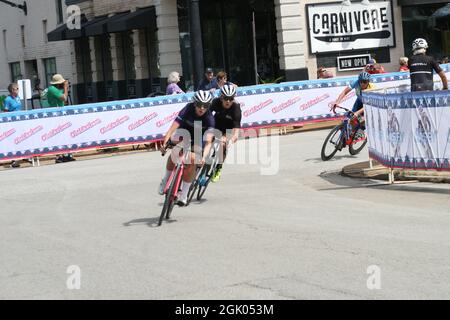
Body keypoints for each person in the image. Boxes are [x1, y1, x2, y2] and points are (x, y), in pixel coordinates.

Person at [158, 90, 215, 206]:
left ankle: (184, 195)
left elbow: (208, 142)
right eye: (199, 105)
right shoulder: (188, 109)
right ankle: (165, 180)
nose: (202, 108)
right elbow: (173, 128)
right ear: (195, 103)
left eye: (206, 106)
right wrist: (165, 143)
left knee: (193, 159)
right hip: (184, 132)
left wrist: (203, 157)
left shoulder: (209, 119)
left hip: (199, 137)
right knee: (174, 152)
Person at [209, 84, 242, 182]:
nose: (228, 101)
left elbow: (236, 132)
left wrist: (231, 140)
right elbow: (206, 117)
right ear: (221, 97)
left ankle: (218, 168)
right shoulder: (215, 102)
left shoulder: (236, 108)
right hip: (215, 124)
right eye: (226, 98)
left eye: (231, 98)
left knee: (223, 144)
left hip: (228, 128)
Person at [46, 74, 75, 163]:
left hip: (60, 115)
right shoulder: (52, 89)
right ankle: (59, 156)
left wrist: (65, 88)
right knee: (58, 136)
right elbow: (64, 98)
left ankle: (66, 154)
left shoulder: (56, 89)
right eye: (61, 83)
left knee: (64, 135)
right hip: (55, 116)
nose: (63, 84)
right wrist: (65, 88)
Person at [4, 83, 23, 168]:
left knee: (20, 139)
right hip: (12, 122)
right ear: (12, 90)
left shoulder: (18, 98)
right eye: (17, 88)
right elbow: (5, 111)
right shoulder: (8, 99)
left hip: (19, 121)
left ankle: (21, 156)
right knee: (13, 140)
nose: (18, 90)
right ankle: (14, 159)